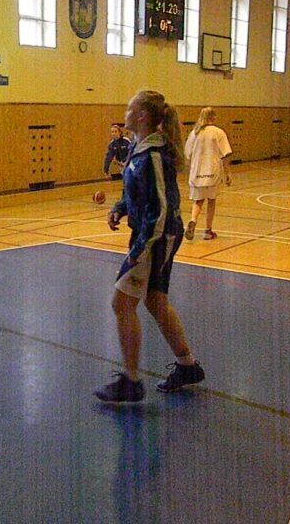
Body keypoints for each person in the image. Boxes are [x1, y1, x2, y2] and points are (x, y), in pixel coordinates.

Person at [94, 90, 205, 403]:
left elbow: (162, 208)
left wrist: (140, 250)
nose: (125, 113)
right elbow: (137, 191)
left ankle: (131, 381)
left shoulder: (153, 155)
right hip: (152, 234)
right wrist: (120, 207)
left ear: (142, 115)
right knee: (155, 302)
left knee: (121, 303)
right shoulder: (138, 147)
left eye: (130, 109)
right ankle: (187, 366)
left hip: (156, 237)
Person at [183, 107, 232, 241]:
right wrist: (228, 172)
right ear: (213, 117)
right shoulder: (218, 132)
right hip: (212, 172)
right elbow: (225, 154)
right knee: (211, 200)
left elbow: (187, 154)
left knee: (198, 200)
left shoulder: (194, 133)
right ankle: (208, 231)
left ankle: (193, 220)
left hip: (197, 172)